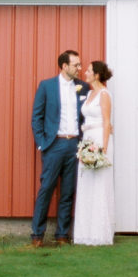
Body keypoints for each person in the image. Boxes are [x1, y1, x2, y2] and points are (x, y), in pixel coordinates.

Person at [29, 50, 86, 246]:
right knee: (46, 189)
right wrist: (42, 142)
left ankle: (62, 235)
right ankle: (37, 235)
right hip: (54, 145)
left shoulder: (83, 87)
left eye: (79, 64)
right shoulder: (47, 86)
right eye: (76, 65)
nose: (80, 68)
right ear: (63, 66)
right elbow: (37, 117)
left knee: (68, 191)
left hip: (74, 145)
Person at [72, 60, 115, 245]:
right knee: (86, 184)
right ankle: (84, 233)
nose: (86, 73)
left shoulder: (104, 95)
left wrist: (103, 150)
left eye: (89, 71)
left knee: (99, 185)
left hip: (99, 138)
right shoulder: (89, 93)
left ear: (97, 75)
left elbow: (106, 121)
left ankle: (100, 234)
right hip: (87, 138)